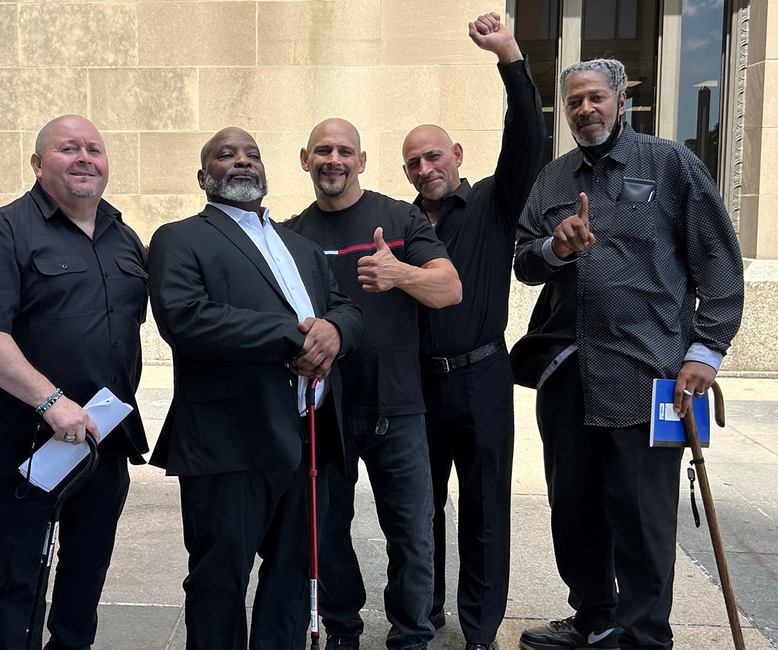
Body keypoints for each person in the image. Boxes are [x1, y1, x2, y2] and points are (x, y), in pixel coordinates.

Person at [511, 58, 745, 650]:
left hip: (650, 373)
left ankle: (643, 637)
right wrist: (553, 248)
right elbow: (522, 261)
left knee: (642, 522)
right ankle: (594, 619)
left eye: (594, 98)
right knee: (574, 513)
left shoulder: (670, 166)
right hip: (568, 373)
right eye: (573, 103)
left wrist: (707, 350)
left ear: (621, 99)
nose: (584, 110)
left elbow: (718, 262)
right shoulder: (555, 179)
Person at [147, 127, 364, 650]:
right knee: (219, 582)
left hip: (306, 435)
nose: (242, 162)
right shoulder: (179, 237)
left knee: (293, 575)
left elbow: (348, 309)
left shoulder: (303, 248)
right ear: (204, 177)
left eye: (252, 154)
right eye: (226, 155)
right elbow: (185, 318)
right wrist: (295, 336)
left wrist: (335, 331)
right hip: (228, 439)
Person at [0, 114, 150, 650]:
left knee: (86, 575)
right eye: (68, 148)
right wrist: (51, 401)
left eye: (94, 149)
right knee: (21, 582)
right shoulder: (4, 231)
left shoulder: (124, 237)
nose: (85, 158)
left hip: (103, 443)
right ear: (38, 164)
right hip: (29, 444)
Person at [285, 110, 461, 650]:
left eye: (344, 151)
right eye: (323, 151)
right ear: (306, 161)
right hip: (325, 410)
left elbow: (448, 288)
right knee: (327, 531)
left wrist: (398, 273)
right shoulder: (288, 236)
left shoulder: (401, 221)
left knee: (411, 535)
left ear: (361, 161)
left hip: (399, 409)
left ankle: (412, 634)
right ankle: (342, 626)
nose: (333, 160)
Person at [399, 13, 545, 650]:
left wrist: (510, 58)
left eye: (434, 155)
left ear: (457, 155)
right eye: (413, 162)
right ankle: (424, 611)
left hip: (484, 376)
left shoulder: (493, 203)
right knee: (420, 510)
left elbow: (526, 141)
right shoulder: (400, 222)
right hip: (418, 387)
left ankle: (480, 628)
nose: (425, 167)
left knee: (485, 511)